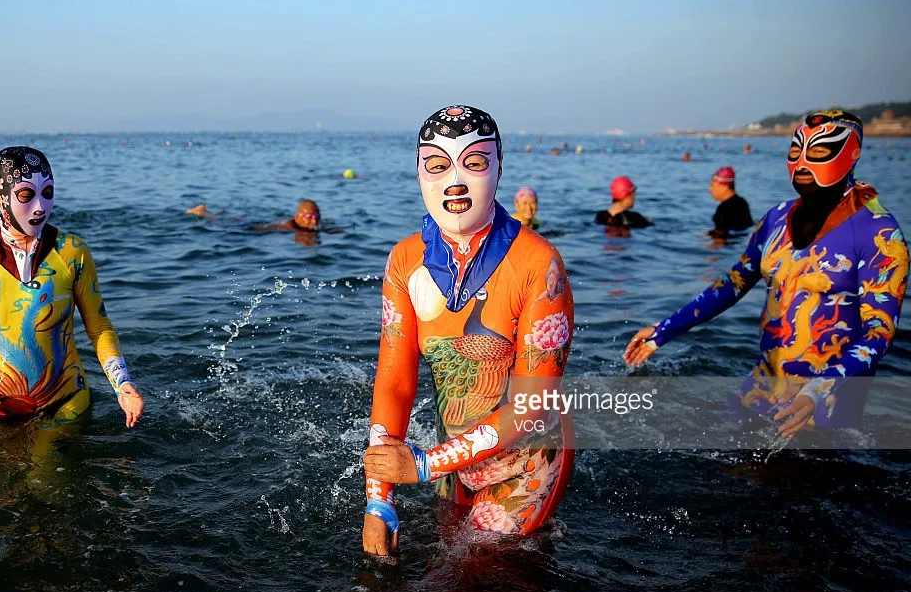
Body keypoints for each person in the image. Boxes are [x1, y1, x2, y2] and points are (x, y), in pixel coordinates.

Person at [361, 105, 575, 556]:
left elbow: (533, 405)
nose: (455, 181)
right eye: (438, 165)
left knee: (480, 576)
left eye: (474, 163)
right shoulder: (404, 261)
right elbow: (396, 383)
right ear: (419, 172)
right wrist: (378, 501)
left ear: (498, 169)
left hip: (528, 458)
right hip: (451, 462)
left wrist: (421, 466)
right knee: (442, 578)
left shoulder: (539, 264)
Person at [624, 110, 908, 437]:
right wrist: (663, 330)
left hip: (824, 405)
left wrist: (817, 391)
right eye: (795, 151)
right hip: (760, 388)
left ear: (852, 155)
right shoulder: (777, 219)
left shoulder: (879, 235)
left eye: (817, 153)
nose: (801, 163)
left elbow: (879, 333)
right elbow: (732, 284)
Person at [0, 147, 144, 441]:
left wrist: (123, 385)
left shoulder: (72, 251)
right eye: (25, 195)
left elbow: (98, 326)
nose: (40, 206)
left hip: (65, 403)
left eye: (47, 192)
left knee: (47, 476)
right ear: (0, 199)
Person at [708, 166, 754, 236]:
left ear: (724, 187)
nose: (710, 190)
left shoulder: (723, 209)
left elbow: (720, 237)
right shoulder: (743, 202)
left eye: (712, 185)